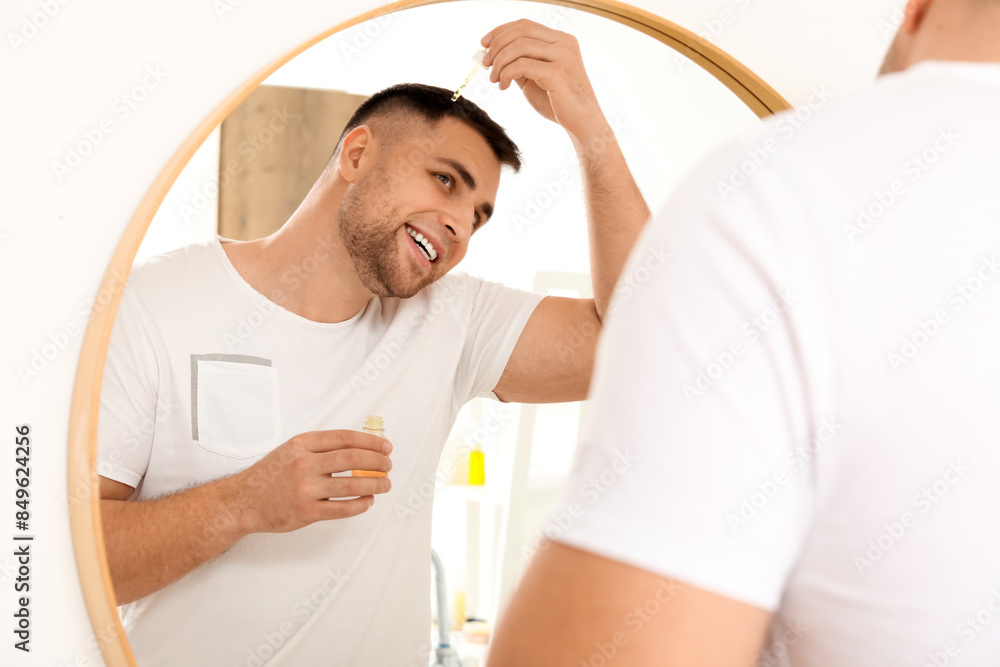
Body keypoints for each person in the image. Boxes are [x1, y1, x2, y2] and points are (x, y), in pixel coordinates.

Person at [96, 19, 650, 667]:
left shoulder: (454, 318)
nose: (459, 224)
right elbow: (66, 556)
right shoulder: (154, 303)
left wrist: (591, 133)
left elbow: (641, 338)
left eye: (478, 216)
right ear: (356, 155)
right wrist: (243, 502)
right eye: (446, 180)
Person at [489, 0, 1000, 665]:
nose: (455, 225)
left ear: (917, 8)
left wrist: (590, 131)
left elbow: (619, 323)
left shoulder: (782, 196)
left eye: (472, 203)